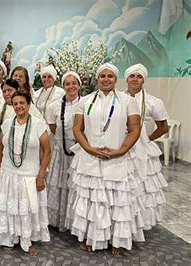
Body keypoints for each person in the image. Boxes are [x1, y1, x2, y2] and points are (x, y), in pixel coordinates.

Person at [66, 63, 144, 255]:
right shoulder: (84, 100)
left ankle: (116, 240)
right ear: (97, 79)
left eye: (110, 76)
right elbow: (77, 128)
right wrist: (88, 148)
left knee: (116, 201)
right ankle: (89, 237)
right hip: (89, 159)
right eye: (102, 76)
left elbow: (135, 128)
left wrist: (121, 150)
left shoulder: (127, 101)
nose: (106, 79)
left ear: (116, 79)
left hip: (117, 159)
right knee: (91, 200)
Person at [0, 90, 51, 256]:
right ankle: (8, 239)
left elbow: (47, 152)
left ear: (28, 104)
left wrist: (41, 176)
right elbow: (1, 149)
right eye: (15, 103)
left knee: (26, 209)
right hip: (8, 173)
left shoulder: (39, 124)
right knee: (9, 207)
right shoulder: (7, 124)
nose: (18, 106)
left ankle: (26, 240)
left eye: (22, 103)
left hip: (29, 175)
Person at [125, 63, 168, 230]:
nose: (135, 79)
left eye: (139, 76)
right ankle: (125, 220)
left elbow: (163, 127)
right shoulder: (118, 98)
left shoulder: (153, 102)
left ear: (144, 80)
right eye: (132, 76)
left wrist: (146, 139)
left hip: (145, 151)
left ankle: (141, 222)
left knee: (143, 187)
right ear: (127, 79)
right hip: (124, 149)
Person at [44, 71, 81, 232]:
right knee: (58, 185)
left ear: (79, 85)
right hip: (60, 151)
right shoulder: (54, 106)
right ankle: (57, 220)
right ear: (63, 86)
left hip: (80, 152)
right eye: (67, 83)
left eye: (74, 83)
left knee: (75, 187)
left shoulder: (85, 104)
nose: (71, 86)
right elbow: (53, 127)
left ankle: (74, 222)